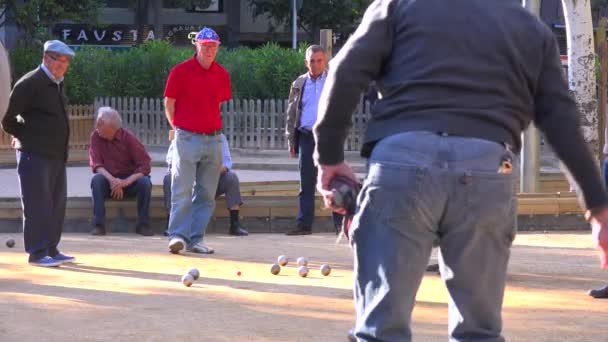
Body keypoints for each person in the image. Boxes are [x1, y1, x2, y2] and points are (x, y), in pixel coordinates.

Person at [313, 1, 608, 341]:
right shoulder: (528, 28)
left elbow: (345, 72)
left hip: (402, 162)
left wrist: (330, 157)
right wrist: (597, 207)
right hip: (487, 166)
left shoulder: (398, 7)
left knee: (380, 329)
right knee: (478, 332)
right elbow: (561, 119)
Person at [1, 40, 76, 267]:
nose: (62, 65)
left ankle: (51, 248)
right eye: (58, 60)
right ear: (46, 58)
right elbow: (7, 118)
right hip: (34, 154)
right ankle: (37, 252)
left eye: (66, 62)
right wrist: (26, 137)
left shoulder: (57, 83)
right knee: (37, 205)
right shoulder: (30, 83)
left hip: (55, 155)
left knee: (55, 204)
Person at [163, 26, 231, 254]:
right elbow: (169, 103)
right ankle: (177, 236)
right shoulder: (180, 71)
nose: (209, 50)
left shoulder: (221, 74)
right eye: (205, 45)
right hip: (187, 137)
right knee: (181, 188)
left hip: (213, 139)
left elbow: (217, 104)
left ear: (218, 48)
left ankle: (196, 239)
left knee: (206, 193)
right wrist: (179, 129)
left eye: (213, 46)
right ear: (197, 45)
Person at [285, 45, 343, 236]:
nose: (315, 64)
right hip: (306, 137)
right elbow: (291, 114)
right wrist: (291, 140)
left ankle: (341, 226)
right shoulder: (299, 83)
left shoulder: (334, 82)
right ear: (306, 62)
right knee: (306, 183)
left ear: (324, 61)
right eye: (312, 61)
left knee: (333, 183)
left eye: (319, 60)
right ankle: (304, 225)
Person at [163, 133, 248, 236]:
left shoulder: (219, 137)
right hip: (186, 180)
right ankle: (170, 225)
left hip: (211, 179)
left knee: (231, 178)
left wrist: (209, 173)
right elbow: (171, 162)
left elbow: (226, 163)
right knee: (168, 178)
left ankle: (235, 225)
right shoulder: (182, 135)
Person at [88, 107, 153, 236]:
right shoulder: (96, 136)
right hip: (108, 180)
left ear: (113, 128)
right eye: (98, 124)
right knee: (97, 180)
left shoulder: (129, 138)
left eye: (101, 125)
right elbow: (96, 164)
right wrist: (113, 180)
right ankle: (99, 225)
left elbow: (145, 165)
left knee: (145, 183)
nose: (97, 128)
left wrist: (124, 182)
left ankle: (143, 225)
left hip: (129, 181)